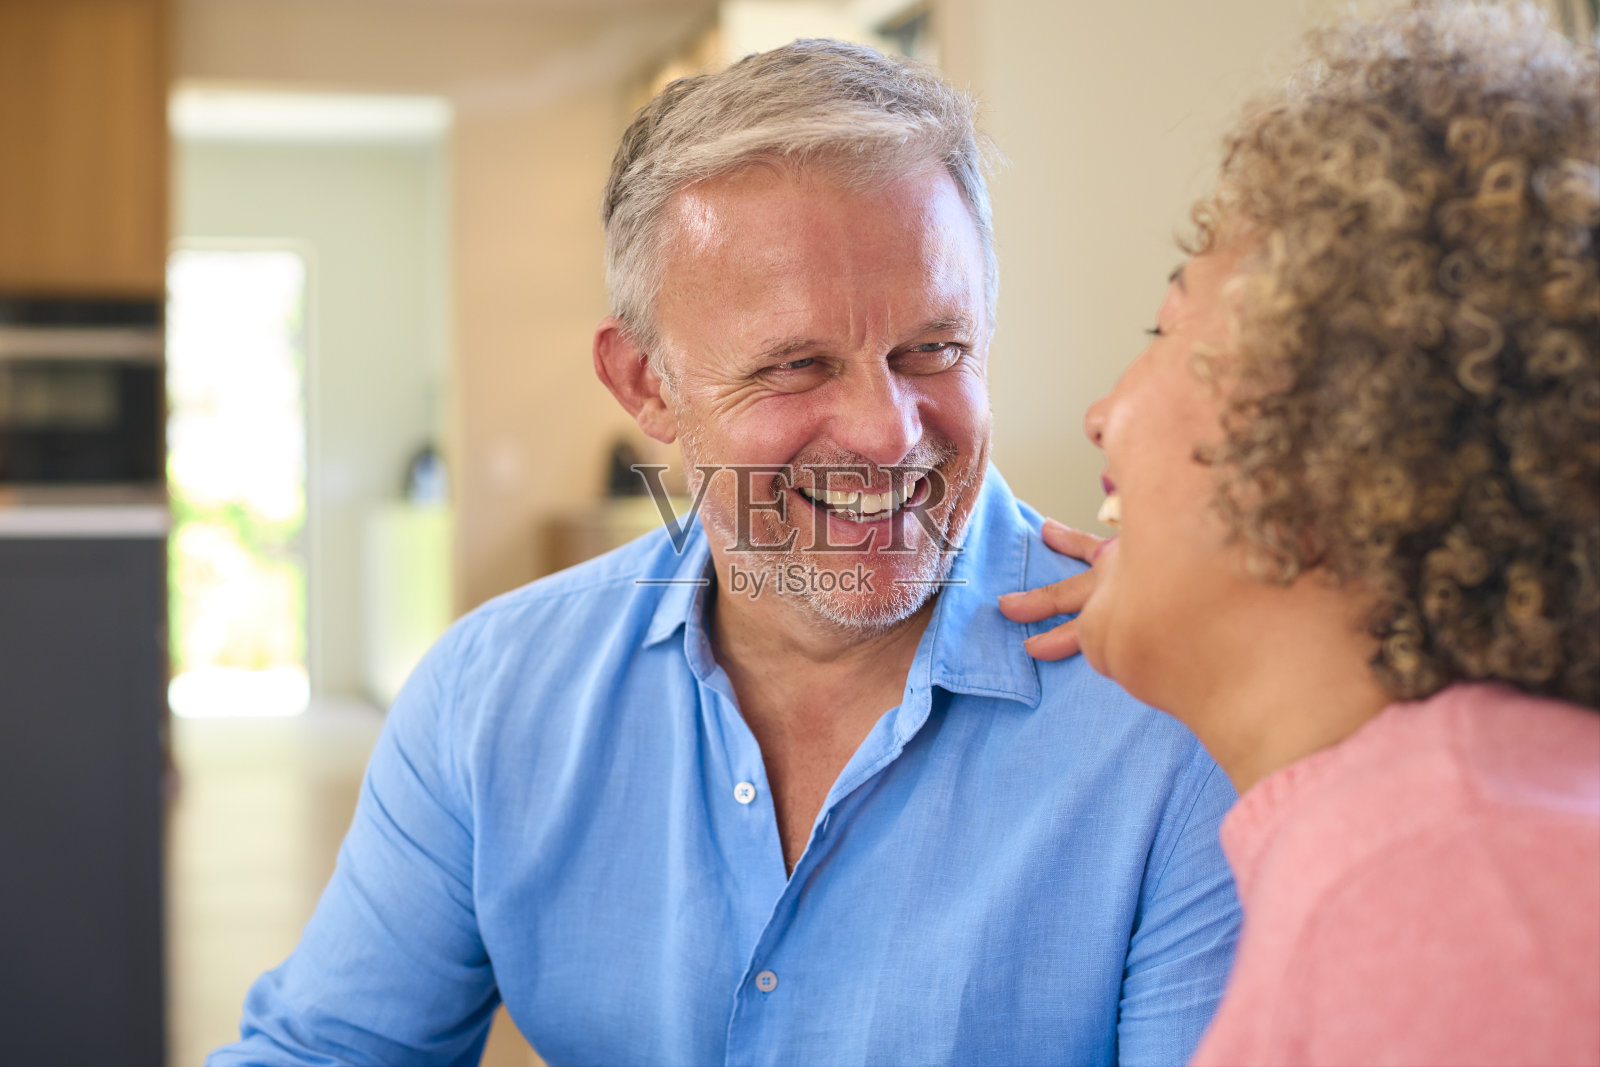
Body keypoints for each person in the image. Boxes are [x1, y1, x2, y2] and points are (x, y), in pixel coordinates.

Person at [209, 39, 1241, 1066]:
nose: (886, 434)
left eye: (933, 349)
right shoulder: (490, 697)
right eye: (796, 365)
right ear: (645, 383)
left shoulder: (1181, 714)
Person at [1002, 3, 1600, 1063]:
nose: (1101, 413)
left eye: (1165, 326)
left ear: (1335, 417)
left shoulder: (1453, 885)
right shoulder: (1411, 829)